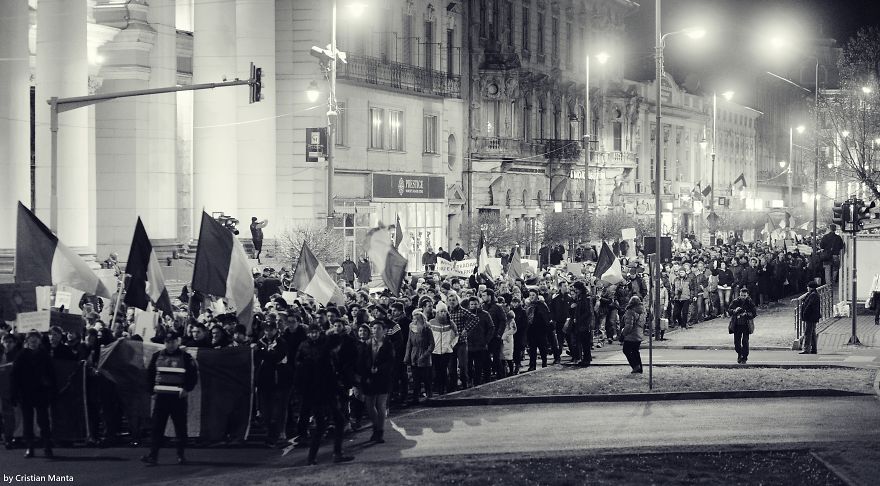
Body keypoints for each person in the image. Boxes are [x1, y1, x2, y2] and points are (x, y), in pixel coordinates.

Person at [142, 331, 199, 465]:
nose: (170, 344)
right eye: (168, 342)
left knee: (180, 428)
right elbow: (149, 375)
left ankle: (181, 455)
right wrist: (152, 392)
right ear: (164, 343)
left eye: (173, 342)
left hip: (178, 399)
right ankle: (153, 455)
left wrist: (186, 389)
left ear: (177, 342)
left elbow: (193, 376)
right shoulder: (157, 356)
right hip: (161, 398)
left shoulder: (186, 357)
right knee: (157, 428)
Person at [11, 331, 55, 459]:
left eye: (36, 338)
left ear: (39, 341)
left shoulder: (44, 355)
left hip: (41, 392)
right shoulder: (21, 355)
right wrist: (14, 393)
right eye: (31, 338)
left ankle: (47, 445)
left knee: (43, 420)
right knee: (28, 421)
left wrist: (51, 389)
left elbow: (52, 374)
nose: (33, 341)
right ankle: (30, 447)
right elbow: (14, 375)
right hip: (26, 392)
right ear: (27, 341)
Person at [256, 320, 292, 447]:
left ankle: (276, 436)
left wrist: (263, 354)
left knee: (277, 411)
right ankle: (270, 434)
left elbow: (276, 357)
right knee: (266, 411)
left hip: (279, 381)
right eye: (266, 329)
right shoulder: (260, 343)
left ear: (276, 330)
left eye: (271, 329)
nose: (268, 332)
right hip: (264, 382)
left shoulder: (281, 343)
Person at [360, 321, 395, 443]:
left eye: (378, 328)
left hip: (383, 378)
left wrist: (379, 368)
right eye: (373, 328)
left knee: (380, 405)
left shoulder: (388, 344)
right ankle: (376, 426)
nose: (375, 330)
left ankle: (379, 431)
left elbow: (391, 361)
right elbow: (363, 360)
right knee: (369, 405)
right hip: (369, 377)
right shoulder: (367, 343)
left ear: (384, 330)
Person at [403, 310, 435, 404]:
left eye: (416, 319)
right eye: (413, 318)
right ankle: (415, 398)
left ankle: (429, 396)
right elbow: (409, 343)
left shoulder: (427, 329)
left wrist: (425, 355)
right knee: (416, 379)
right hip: (414, 355)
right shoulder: (411, 329)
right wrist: (407, 356)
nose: (414, 321)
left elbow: (432, 344)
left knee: (426, 378)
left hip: (424, 356)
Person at [1, 333, 21, 450]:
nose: (8, 344)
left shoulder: (18, 356)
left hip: (8, 390)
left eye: (10, 342)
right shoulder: (1, 354)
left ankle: (8, 438)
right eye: (5, 342)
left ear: (14, 343)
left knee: (8, 414)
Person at [728, 288, 757, 364]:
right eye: (741, 295)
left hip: (746, 325)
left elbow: (754, 313)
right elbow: (729, 311)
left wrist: (746, 314)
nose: (743, 297)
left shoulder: (750, 302)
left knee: (745, 342)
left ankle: (744, 357)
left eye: (744, 295)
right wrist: (735, 310)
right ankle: (739, 354)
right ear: (739, 294)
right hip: (737, 324)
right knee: (737, 343)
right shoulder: (735, 301)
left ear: (747, 295)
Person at [621, 296, 646, 374]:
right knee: (635, 351)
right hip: (639, 334)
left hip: (631, 335)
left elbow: (629, 326)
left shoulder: (630, 311)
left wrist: (623, 334)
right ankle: (639, 368)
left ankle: (635, 366)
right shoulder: (642, 311)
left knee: (626, 350)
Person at [800, 281, 821, 355]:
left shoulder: (813, 295)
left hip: (810, 317)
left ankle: (806, 349)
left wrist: (805, 314)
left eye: (808, 287)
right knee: (812, 333)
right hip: (812, 316)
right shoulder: (813, 294)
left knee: (808, 333)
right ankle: (814, 349)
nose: (807, 288)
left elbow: (809, 306)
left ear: (811, 287)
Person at [500, 311, 517, 377]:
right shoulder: (503, 319)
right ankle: (504, 372)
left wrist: (505, 335)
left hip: (508, 340)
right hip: (503, 340)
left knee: (509, 358)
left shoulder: (511, 320)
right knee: (503, 358)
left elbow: (514, 329)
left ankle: (511, 371)